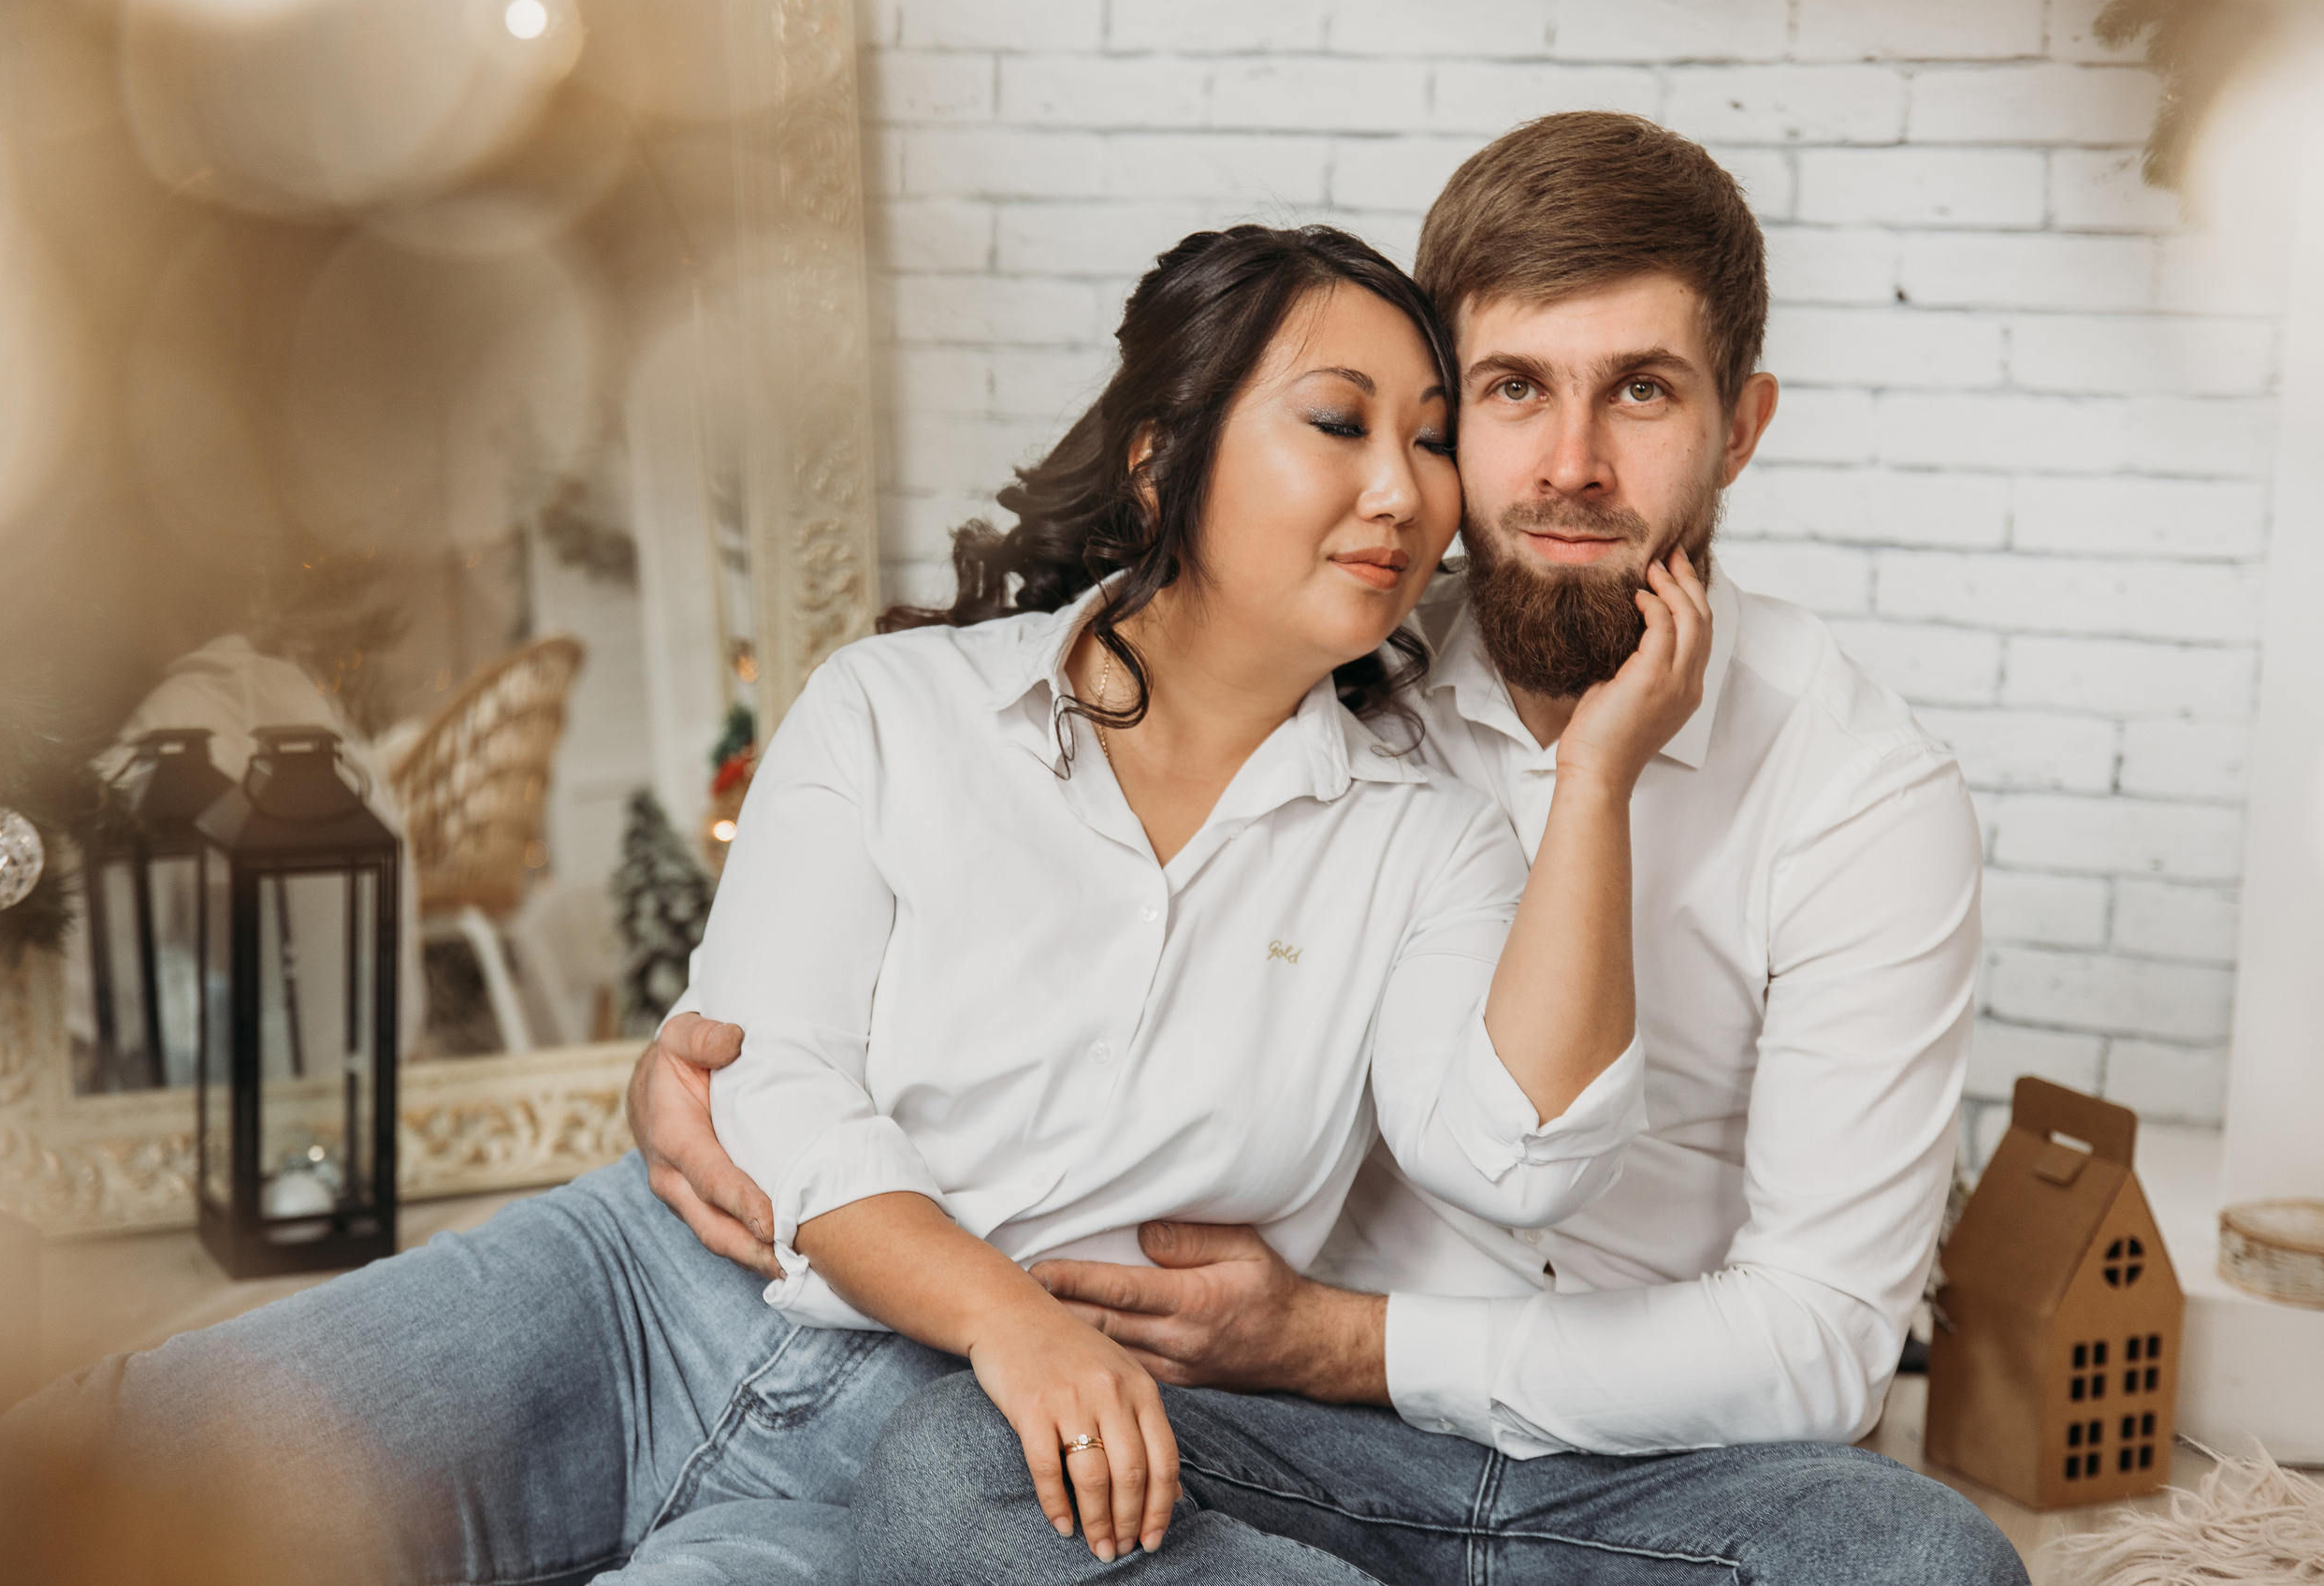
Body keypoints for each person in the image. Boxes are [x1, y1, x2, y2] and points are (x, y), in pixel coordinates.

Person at [0, 223, 1703, 1586]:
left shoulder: (1434, 839)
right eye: (1338, 426)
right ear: (1166, 460)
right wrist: (1006, 1310)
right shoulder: (904, 710)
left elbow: (1519, 1156)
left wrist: (1600, 778)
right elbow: (769, 1080)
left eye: (1429, 441)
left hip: (942, 1461)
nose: (1405, 491)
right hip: (642, 1300)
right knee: (68, 1488)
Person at [638, 113, 2029, 1582]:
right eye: (1511, 391)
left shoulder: (1862, 792)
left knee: (1934, 1561)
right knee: (962, 1469)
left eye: (1640, 392)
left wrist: (1342, 1343)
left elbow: (1821, 1347)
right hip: (1265, 1441)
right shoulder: (1337, 654)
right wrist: (715, 1049)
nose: (1572, 463)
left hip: (1635, 1472)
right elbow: (1031, 834)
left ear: (1738, 427)